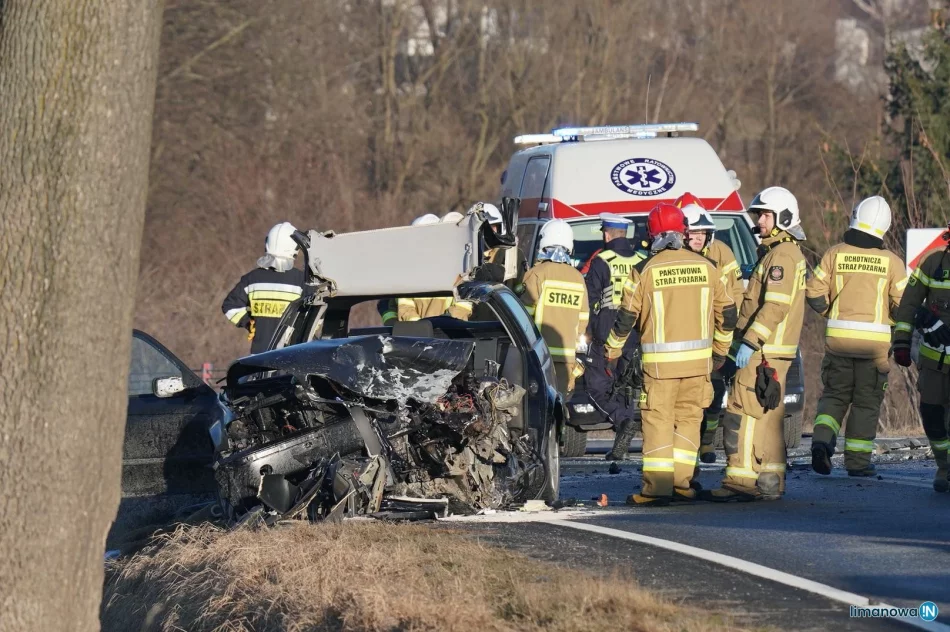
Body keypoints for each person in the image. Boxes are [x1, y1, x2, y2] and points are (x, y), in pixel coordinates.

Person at [605, 204, 737, 505]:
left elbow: (625, 318)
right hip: (699, 366)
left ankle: (656, 489)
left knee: (658, 423)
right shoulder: (708, 267)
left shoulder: (644, 270)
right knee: (689, 421)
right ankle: (682, 484)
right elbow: (728, 315)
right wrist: (719, 352)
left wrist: (612, 351)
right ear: (682, 233)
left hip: (660, 369)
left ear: (652, 235)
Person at [705, 186, 807, 502]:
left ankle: (741, 481)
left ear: (783, 218)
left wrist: (750, 341)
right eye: (758, 215)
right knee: (770, 416)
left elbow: (775, 306)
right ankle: (771, 481)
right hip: (774, 350)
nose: (759, 221)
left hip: (764, 350)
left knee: (742, 410)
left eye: (765, 215)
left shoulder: (782, 256)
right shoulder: (783, 252)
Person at [806, 197, 907, 477]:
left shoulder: (834, 254)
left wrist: (831, 313)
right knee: (865, 403)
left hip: (838, 344)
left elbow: (813, 292)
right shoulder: (892, 262)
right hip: (874, 350)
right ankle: (857, 463)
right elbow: (903, 305)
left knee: (834, 396)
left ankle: (821, 443)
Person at [678, 193, 743, 464]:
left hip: (715, 338)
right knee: (687, 401)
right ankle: (688, 448)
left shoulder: (721, 253)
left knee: (714, 394)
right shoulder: (672, 255)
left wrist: (727, 333)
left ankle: (706, 442)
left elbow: (735, 293)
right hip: (684, 338)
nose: (698, 237)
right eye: (692, 232)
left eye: (702, 232)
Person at [891, 221, 950, 492]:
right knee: (932, 416)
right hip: (934, 363)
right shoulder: (932, 261)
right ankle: (944, 466)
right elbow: (909, 304)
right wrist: (903, 341)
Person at [583, 213, 646, 461]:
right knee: (625, 387)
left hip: (607, 333)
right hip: (635, 333)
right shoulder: (642, 260)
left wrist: (589, 329)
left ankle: (622, 421)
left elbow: (591, 300)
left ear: (607, 234)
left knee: (595, 386)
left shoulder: (602, 260)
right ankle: (622, 439)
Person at [517, 219, 590, 398]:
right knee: (560, 404)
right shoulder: (578, 277)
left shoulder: (537, 274)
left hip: (539, 357)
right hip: (567, 359)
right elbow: (583, 320)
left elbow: (523, 316)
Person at [222, 222, 305, 354]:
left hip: (259, 357)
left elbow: (230, 306)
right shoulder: (301, 281)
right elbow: (317, 315)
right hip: (291, 356)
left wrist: (248, 323)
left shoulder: (251, 279)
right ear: (294, 248)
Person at [397, 212, 474, 321]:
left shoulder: (460, 271)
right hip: (418, 331)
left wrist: (440, 327)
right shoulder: (409, 273)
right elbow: (405, 307)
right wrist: (421, 328)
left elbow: (462, 308)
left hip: (448, 330)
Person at [378, 214, 440, 325]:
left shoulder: (453, 272)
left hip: (443, 333)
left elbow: (460, 311)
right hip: (414, 333)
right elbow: (402, 308)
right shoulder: (405, 272)